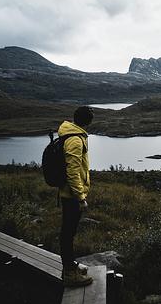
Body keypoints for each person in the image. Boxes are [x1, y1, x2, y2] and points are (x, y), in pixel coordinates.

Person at [58, 105, 94, 287]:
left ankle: (70, 266)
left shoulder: (72, 134)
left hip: (69, 193)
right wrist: (81, 197)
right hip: (72, 196)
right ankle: (70, 274)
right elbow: (72, 172)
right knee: (67, 233)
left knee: (68, 232)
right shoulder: (75, 140)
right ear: (87, 121)